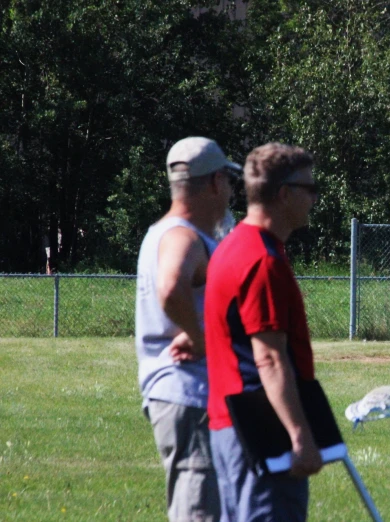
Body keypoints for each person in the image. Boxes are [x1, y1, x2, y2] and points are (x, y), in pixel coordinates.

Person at [204, 142, 323, 522]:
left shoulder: (231, 246)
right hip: (261, 432)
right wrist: (300, 435)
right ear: (284, 194)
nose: (315, 198)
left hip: (231, 427)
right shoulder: (262, 260)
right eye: (310, 188)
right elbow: (269, 358)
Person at [135, 136, 241, 521]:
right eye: (228, 182)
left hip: (187, 397)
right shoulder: (184, 235)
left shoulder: (163, 232)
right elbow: (170, 287)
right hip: (189, 394)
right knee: (198, 513)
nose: (230, 192)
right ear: (214, 182)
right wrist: (202, 339)